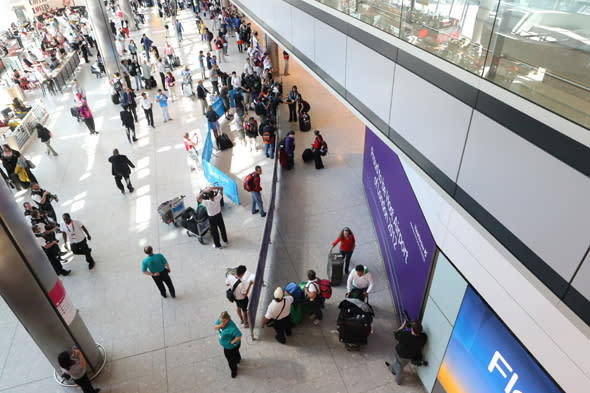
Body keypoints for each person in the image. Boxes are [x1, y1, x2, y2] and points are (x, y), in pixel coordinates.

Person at [386, 320, 428, 385]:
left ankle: (398, 380)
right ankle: (392, 368)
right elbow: (419, 335)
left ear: (412, 329)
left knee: (399, 366)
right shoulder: (423, 337)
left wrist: (403, 326)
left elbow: (395, 333)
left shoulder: (405, 335)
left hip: (401, 354)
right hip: (411, 356)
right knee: (400, 364)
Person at [213, 311, 242, 378]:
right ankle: (238, 359)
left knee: (230, 360)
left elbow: (239, 335)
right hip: (228, 346)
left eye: (224, 321)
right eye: (221, 320)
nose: (222, 322)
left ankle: (234, 370)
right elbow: (215, 327)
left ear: (228, 319)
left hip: (230, 347)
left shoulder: (232, 328)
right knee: (236, 354)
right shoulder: (220, 320)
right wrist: (220, 325)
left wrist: (232, 342)